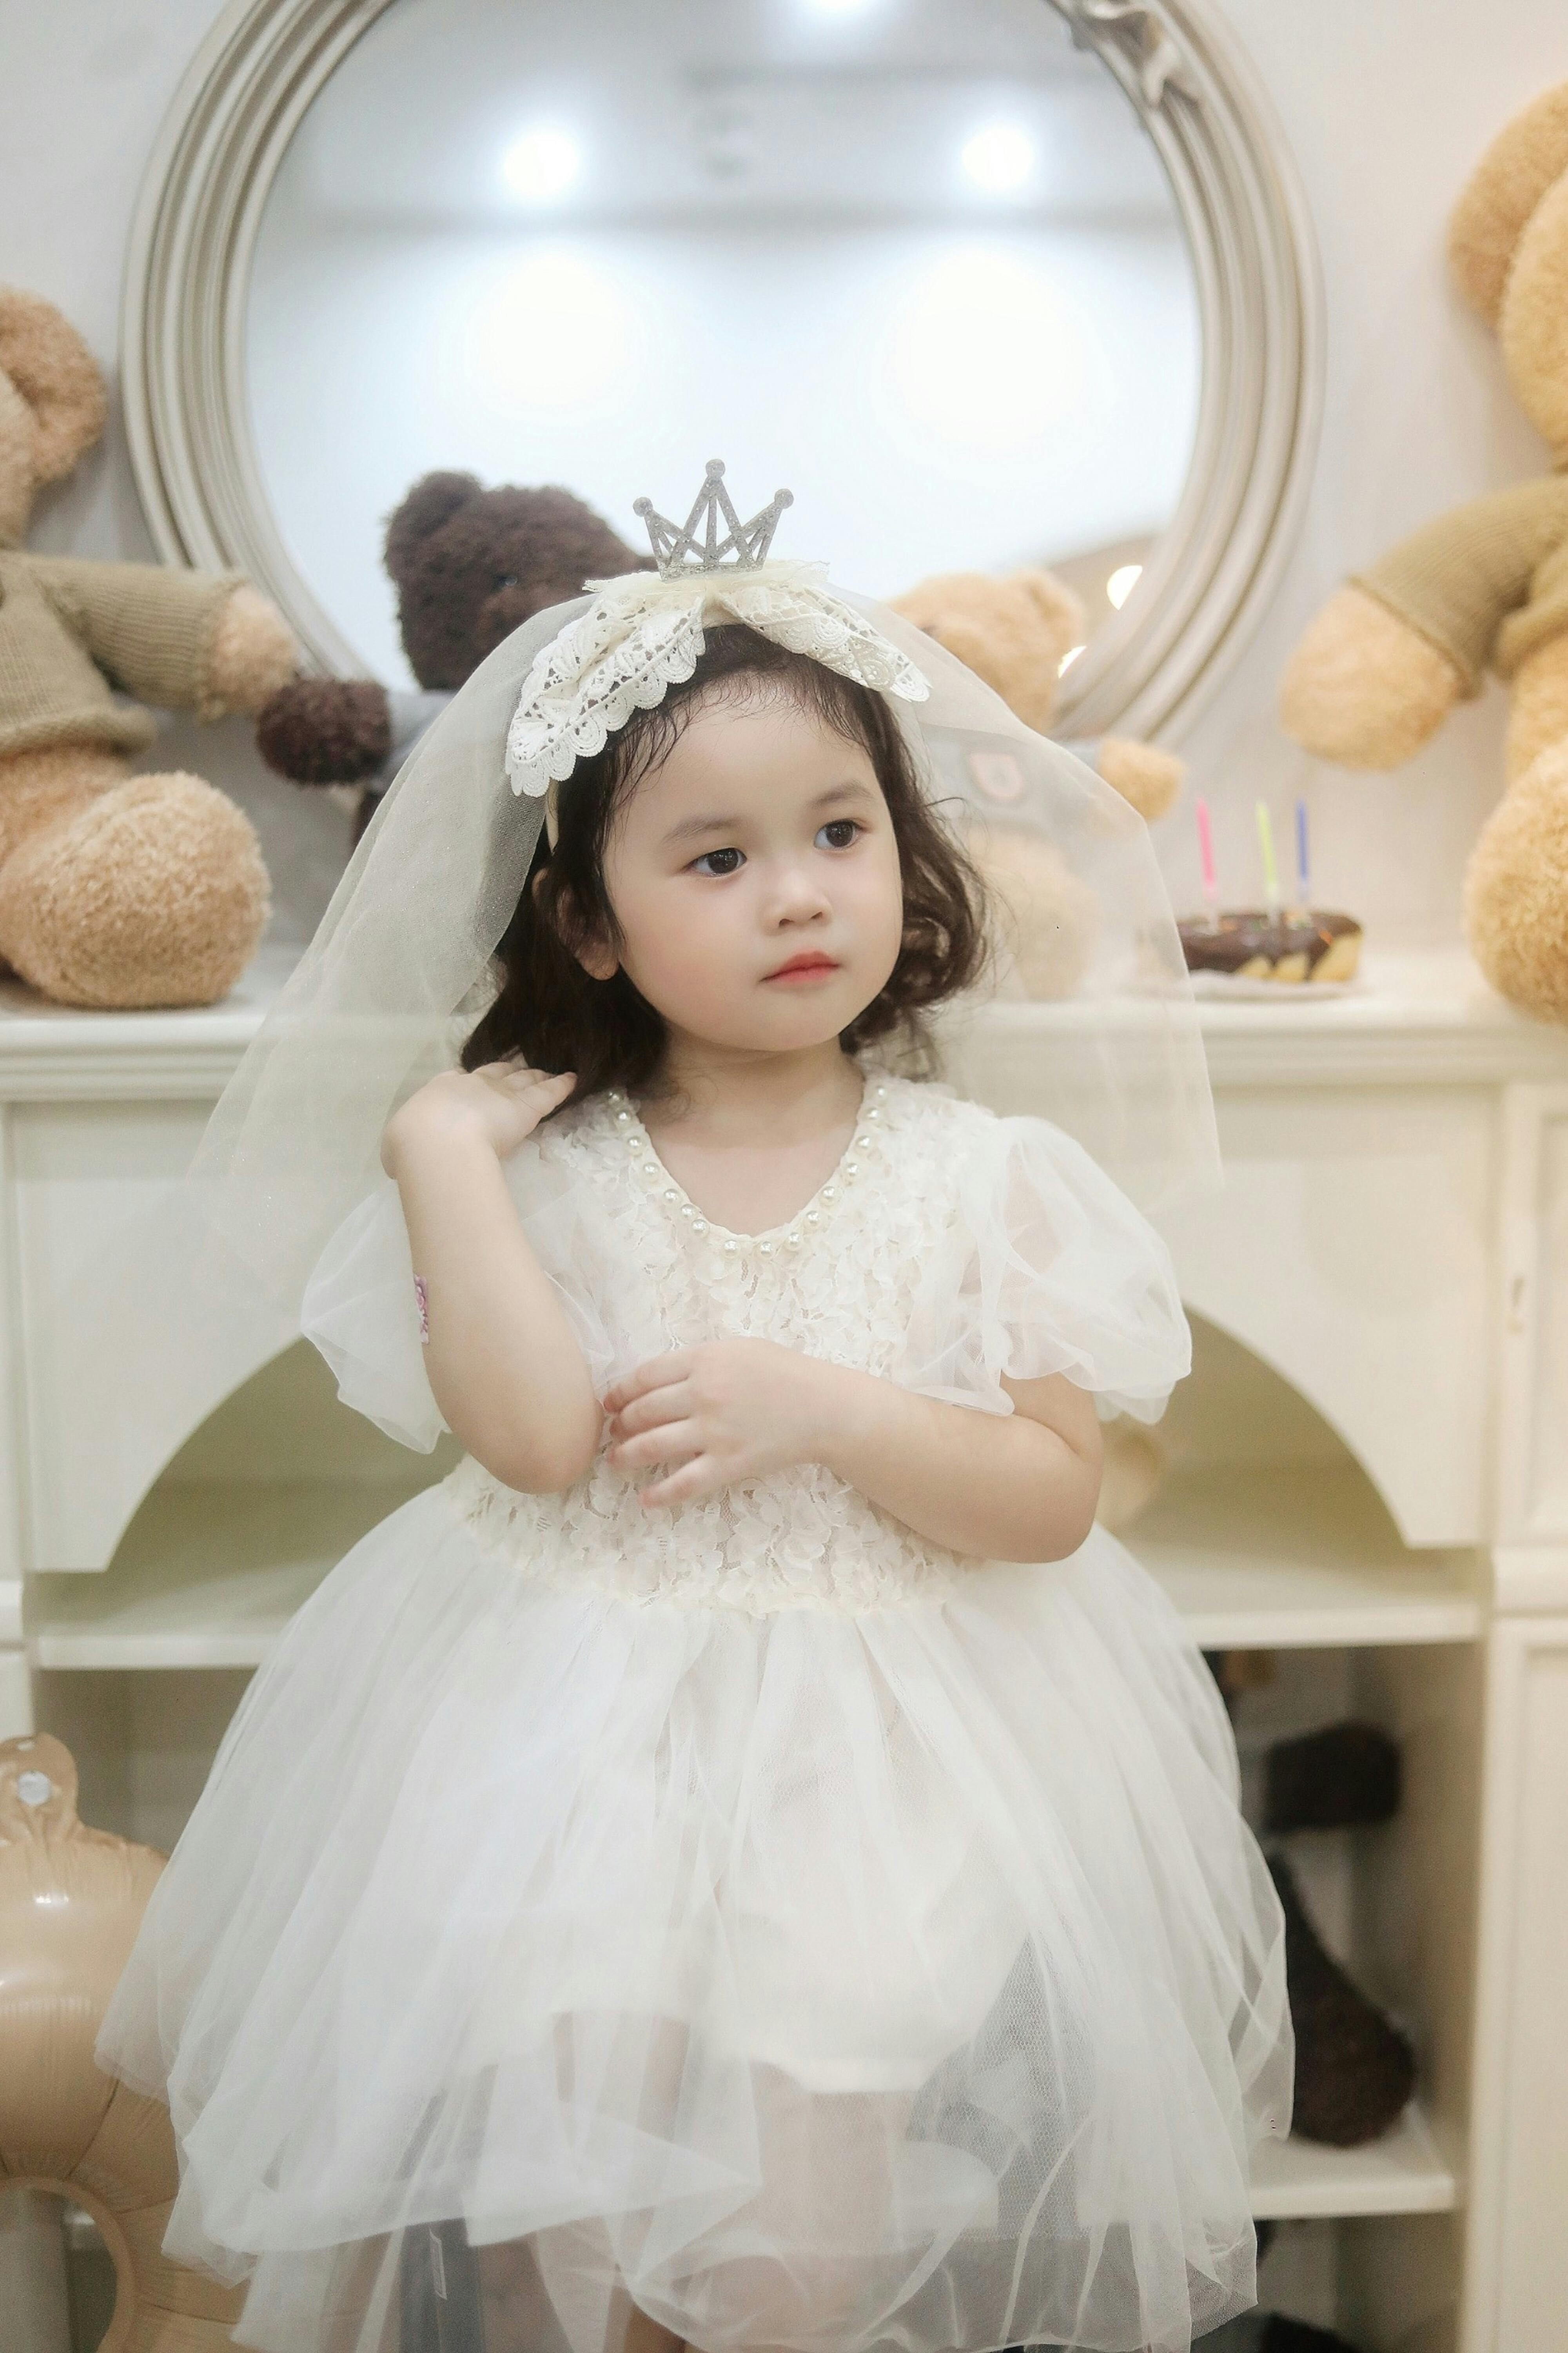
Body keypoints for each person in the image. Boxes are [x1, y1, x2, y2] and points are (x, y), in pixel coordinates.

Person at [93, 465, 1291, 2353]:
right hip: (563, 1755)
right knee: (547, 2237)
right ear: (587, 924)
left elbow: (1049, 1497)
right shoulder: (553, 1168)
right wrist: (444, 1161)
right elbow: (534, 1441)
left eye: (836, 831)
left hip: (856, 1780)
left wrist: (827, 1407)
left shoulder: (989, 1178)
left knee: (789, 2263)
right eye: (714, 858)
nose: (797, 891)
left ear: (908, 859)